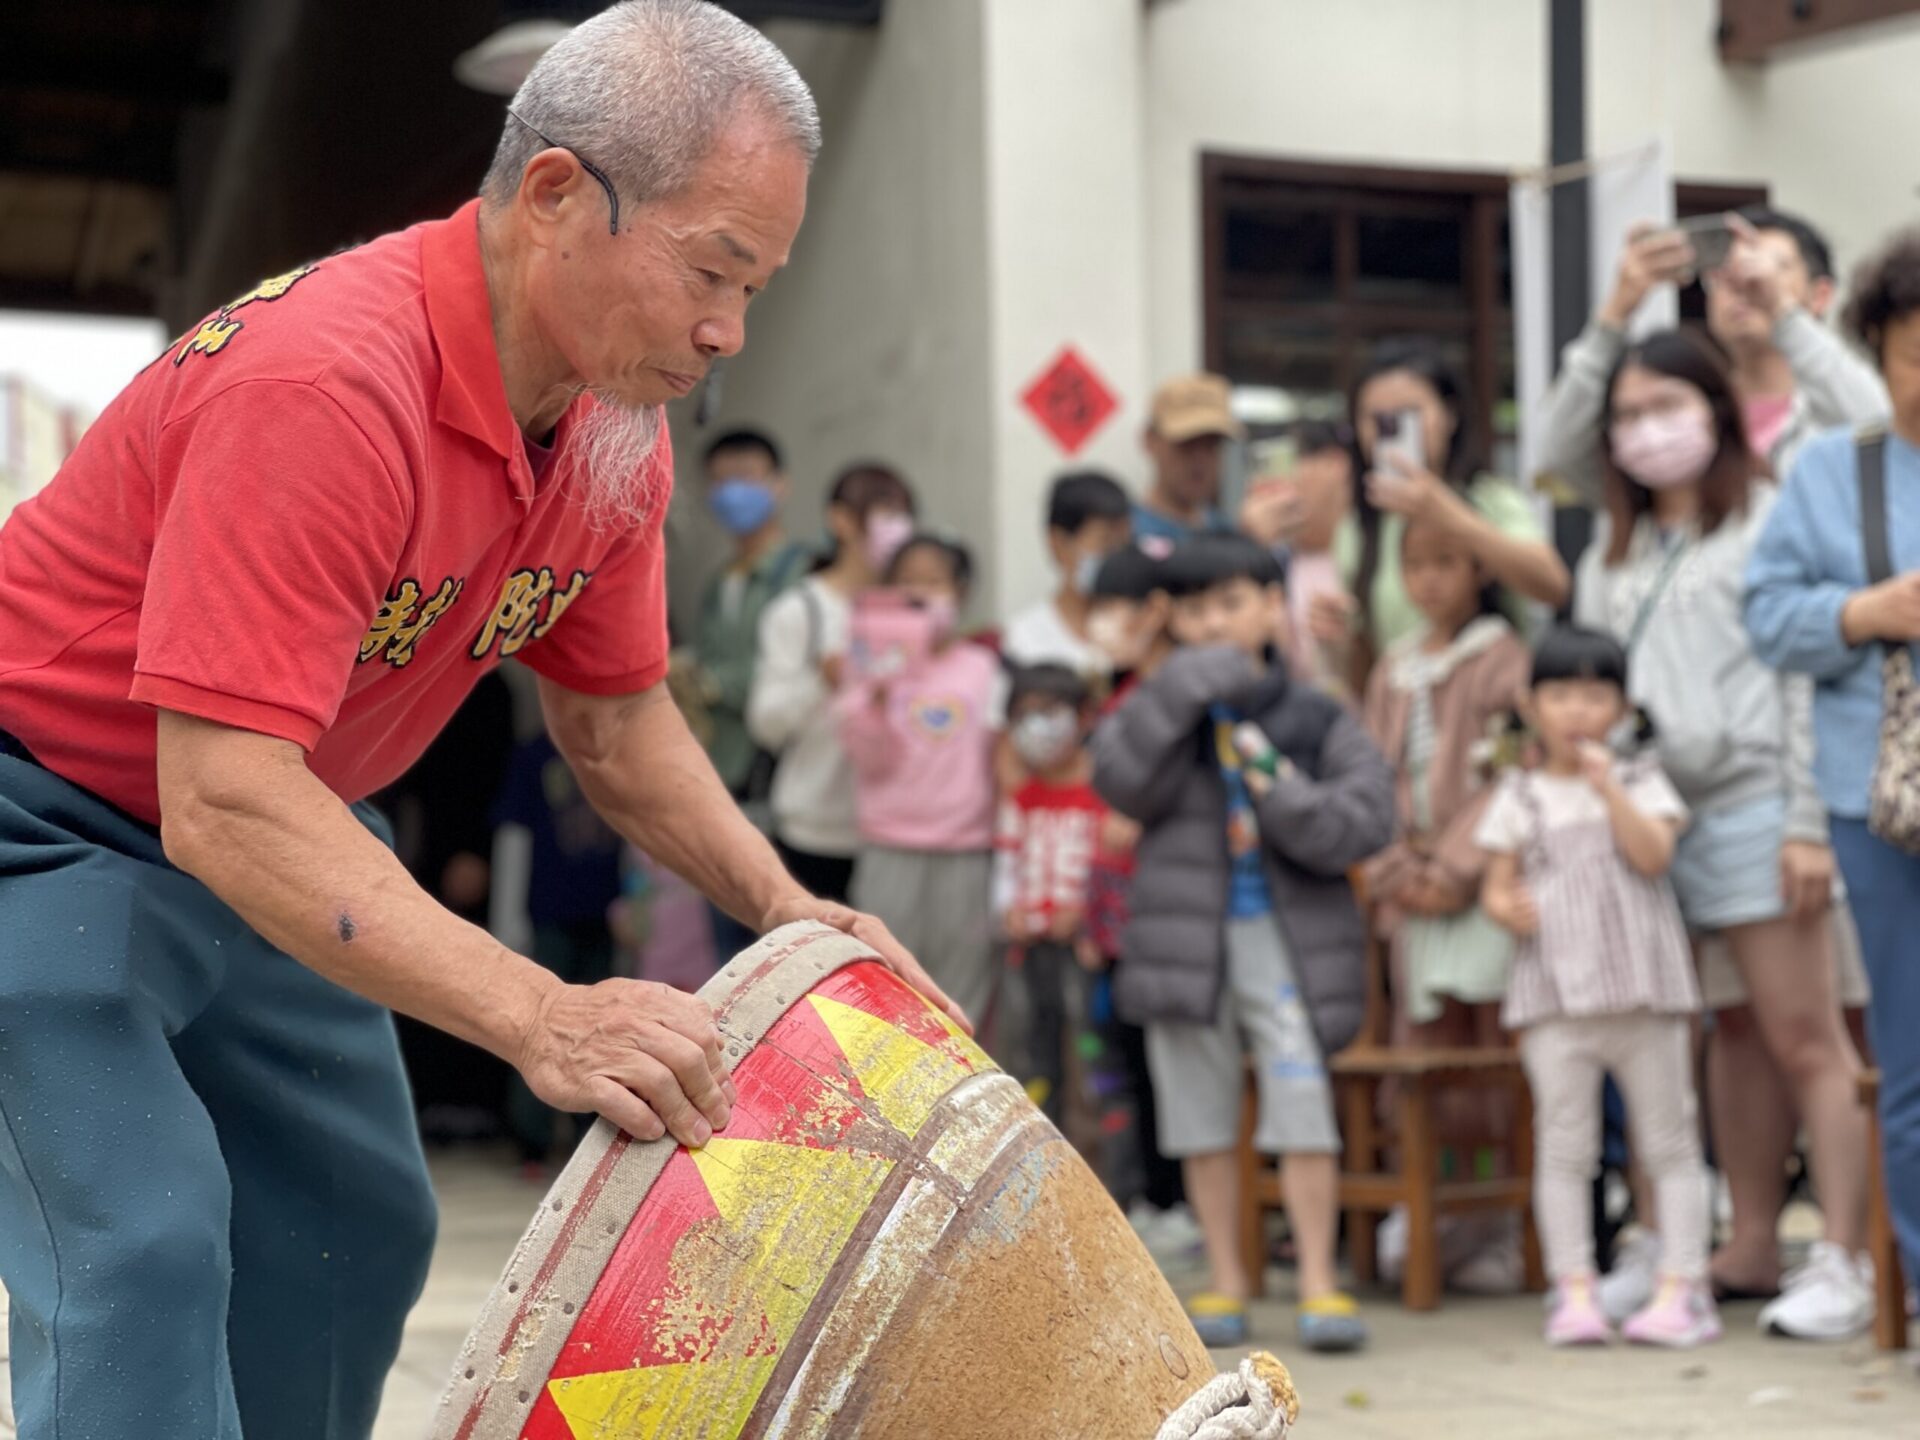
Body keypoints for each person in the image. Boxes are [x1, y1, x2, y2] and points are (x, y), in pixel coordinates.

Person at [0, 9, 962, 1435]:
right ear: (557, 194)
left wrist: (789, 910)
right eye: (710, 271)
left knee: (351, 1231)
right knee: (143, 1244)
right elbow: (223, 796)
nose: (728, 332)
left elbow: (616, 727)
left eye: (755, 287)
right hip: (48, 822)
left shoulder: (613, 425)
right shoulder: (328, 383)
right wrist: (543, 1014)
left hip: (280, 828)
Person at [1573, 328, 1871, 1338]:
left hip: (1757, 808)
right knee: (1726, 1036)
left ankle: (1845, 1256)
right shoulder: (1611, 552)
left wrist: (1806, 821)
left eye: (1667, 405)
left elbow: (1800, 677)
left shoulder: (1767, 518)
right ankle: (1745, 1242)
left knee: (1805, 1035)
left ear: (1717, 408)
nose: (1646, 430)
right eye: (1627, 414)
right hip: (1656, 822)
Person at [1093, 532, 1394, 1353]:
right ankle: (1225, 1279)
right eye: (1194, 609)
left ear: (1271, 607)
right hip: (1184, 943)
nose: (1213, 624)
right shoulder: (1161, 712)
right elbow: (1117, 780)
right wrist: (1177, 690)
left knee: (1303, 1110)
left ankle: (1320, 1282)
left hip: (1285, 941)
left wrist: (1281, 793)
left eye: (1231, 603)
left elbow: (1369, 817)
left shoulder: (1315, 713)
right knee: (1200, 1117)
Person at [1746, 224, 1920, 1314]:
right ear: (1878, 349)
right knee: (1910, 1055)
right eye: (1915, 357)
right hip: (1881, 799)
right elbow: (1765, 615)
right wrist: (1863, 612)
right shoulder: (1829, 469)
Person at [1477, 626, 1717, 1349]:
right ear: (1530, 705)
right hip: (1556, 1000)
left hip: (1645, 993)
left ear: (1621, 706)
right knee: (1564, 1145)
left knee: (1669, 1140)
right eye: (1559, 694)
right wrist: (1507, 908)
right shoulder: (1518, 793)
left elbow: (1653, 855)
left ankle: (1684, 1287)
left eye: (1594, 694)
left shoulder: (1641, 781)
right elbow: (1494, 888)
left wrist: (1608, 786)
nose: (1577, 710)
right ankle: (1573, 1288)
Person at [1537, 206, 1888, 503]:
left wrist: (1784, 313)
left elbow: (1886, 433)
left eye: (1769, 269)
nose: (1743, 285)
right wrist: (1615, 312)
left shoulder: (1834, 406)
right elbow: (1560, 456)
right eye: (1724, 273)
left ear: (1820, 295)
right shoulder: (1680, 413)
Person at [1363, 514, 1528, 1104]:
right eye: (1413, 566)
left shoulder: (1501, 656)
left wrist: (1457, 868)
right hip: (1413, 884)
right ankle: (1434, 1162)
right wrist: (1398, 871)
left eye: (1444, 563)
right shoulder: (1394, 665)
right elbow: (1372, 774)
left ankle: (1501, 1158)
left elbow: (1513, 770)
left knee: (1493, 1028)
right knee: (1422, 1033)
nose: (1428, 580)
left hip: (1481, 880)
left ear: (1479, 569)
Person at [1324, 340, 1570, 685]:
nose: (1390, 430)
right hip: (1406, 707)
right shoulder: (1358, 526)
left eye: (1408, 415)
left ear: (1450, 415)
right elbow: (1368, 670)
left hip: (1490, 701)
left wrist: (1451, 516)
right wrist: (1336, 638)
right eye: (1376, 419)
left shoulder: (1490, 500)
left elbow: (1554, 587)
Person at [837, 533, 1001, 1029]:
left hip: (966, 848)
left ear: (961, 591)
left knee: (961, 983)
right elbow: (866, 759)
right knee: (887, 981)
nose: (921, 594)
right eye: (907, 582)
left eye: (934, 582)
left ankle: (962, 1073)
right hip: (890, 845)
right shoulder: (871, 669)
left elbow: (999, 759)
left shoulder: (984, 668)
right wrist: (875, 698)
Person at [747, 463, 916, 905]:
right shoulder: (799, 610)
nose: (896, 530)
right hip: (814, 827)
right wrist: (823, 681)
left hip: (897, 829)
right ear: (840, 520)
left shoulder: (914, 609)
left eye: (902, 516)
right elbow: (767, 723)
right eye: (883, 514)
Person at [688, 427, 814, 958]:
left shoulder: (806, 573)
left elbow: (798, 671)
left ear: (779, 484)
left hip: (784, 783)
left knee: (789, 942)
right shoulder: (718, 584)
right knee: (733, 951)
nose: (731, 492)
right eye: (719, 481)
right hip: (725, 782)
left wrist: (706, 681)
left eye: (745, 476)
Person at [488, 731, 625, 1174]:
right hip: (547, 914)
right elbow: (514, 836)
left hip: (607, 915)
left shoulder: (616, 748)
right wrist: (508, 921)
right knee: (536, 1024)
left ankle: (593, 1139)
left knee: (607, 1028)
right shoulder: (535, 754)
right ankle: (532, 1140)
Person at [993, 663, 1107, 1113]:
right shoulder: (1021, 797)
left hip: (1086, 949)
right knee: (1035, 1050)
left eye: (1049, 711)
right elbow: (1007, 864)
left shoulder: (1104, 793)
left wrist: (1085, 913)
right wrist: (1009, 912)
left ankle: (1105, 1141)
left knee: (1094, 1049)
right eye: (1024, 715)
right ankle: (1044, 1132)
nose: (1037, 727)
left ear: (1084, 716)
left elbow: (1112, 869)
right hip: (1031, 948)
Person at [1239, 420, 1358, 695]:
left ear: (1335, 464)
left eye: (1286, 461)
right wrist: (1247, 547)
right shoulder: (1270, 556)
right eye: (1263, 466)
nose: (1271, 482)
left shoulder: (1375, 547)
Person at [1003, 468, 1134, 683]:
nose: (1118, 557)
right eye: (1106, 542)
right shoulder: (1022, 642)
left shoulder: (1142, 633)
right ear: (1059, 544)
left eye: (1125, 544)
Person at [1134, 373, 1244, 547]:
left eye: (1212, 443)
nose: (1200, 457)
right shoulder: (1122, 536)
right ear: (1150, 440)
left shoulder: (1227, 533)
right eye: (1186, 442)